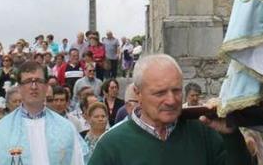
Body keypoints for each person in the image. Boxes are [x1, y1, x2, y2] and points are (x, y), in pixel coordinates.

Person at [88, 54, 253, 165]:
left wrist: (231, 136)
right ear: (138, 94)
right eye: (160, 93)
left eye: (176, 90)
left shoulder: (205, 133)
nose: (171, 100)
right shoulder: (111, 147)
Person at [0, 61, 88, 165]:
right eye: (28, 81)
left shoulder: (66, 128)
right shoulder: (0, 130)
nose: (34, 87)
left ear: (46, 87)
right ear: (19, 88)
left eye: (38, 81)